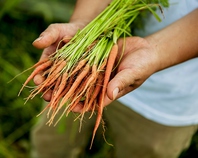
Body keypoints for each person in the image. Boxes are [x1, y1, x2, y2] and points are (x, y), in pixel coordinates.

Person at [30, 0, 198, 158]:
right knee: (51, 143)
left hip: (170, 100)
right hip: (96, 79)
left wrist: (155, 52)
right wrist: (83, 21)